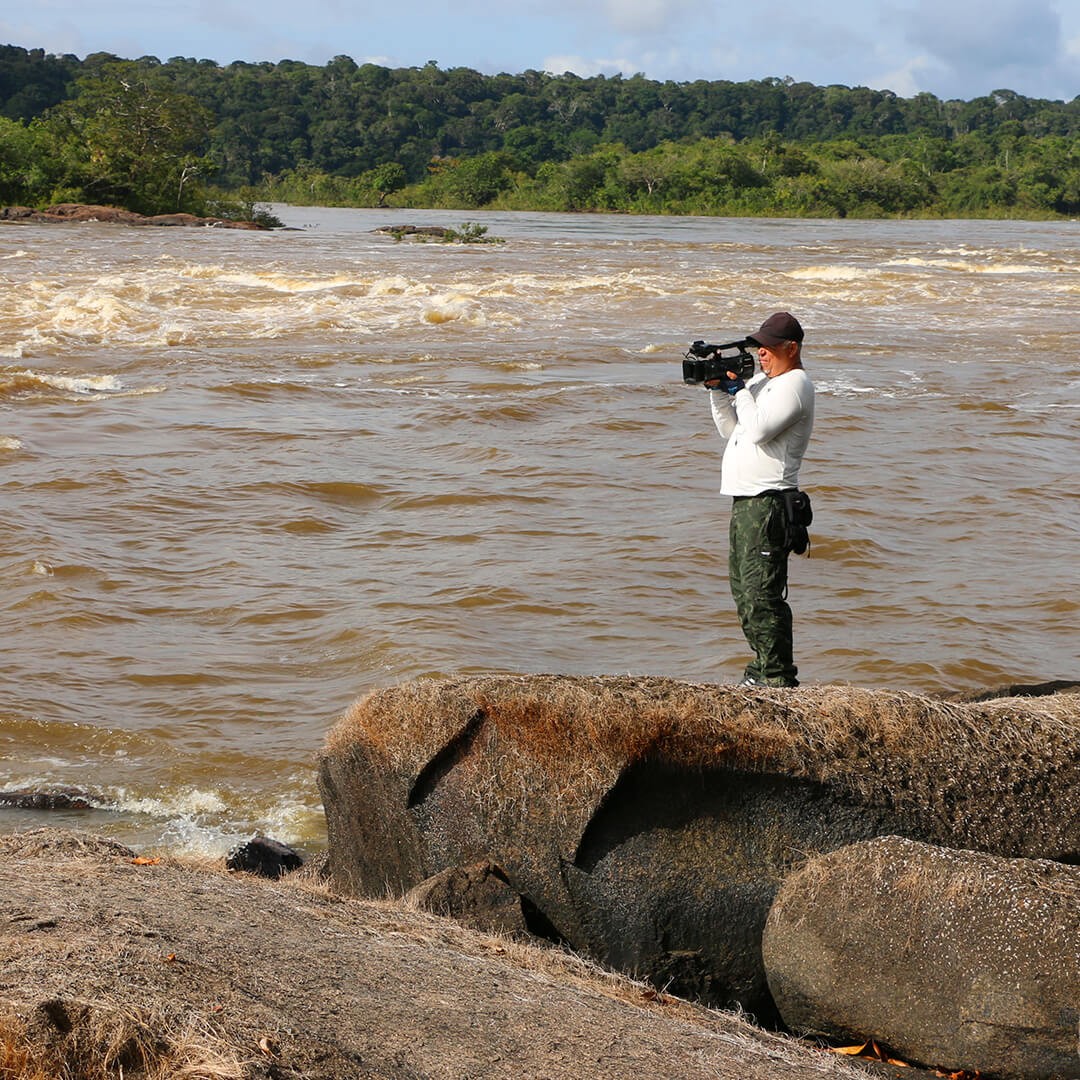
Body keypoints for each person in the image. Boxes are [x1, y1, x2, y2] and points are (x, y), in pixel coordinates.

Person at [706, 311, 815, 687]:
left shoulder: (795, 385)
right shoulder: (760, 384)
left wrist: (739, 393)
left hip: (769, 502)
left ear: (791, 348)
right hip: (746, 502)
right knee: (743, 591)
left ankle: (779, 678)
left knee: (763, 594)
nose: (761, 355)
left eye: (768, 349)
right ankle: (762, 669)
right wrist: (720, 392)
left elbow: (759, 430)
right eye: (759, 348)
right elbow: (732, 431)